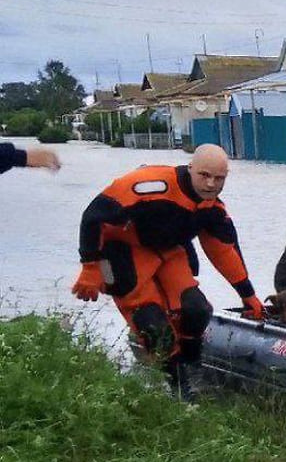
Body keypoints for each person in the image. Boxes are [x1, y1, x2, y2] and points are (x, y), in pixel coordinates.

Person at [73, 144, 263, 398]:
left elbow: (225, 252)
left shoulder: (212, 209)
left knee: (196, 309)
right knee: (152, 324)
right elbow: (93, 217)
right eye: (204, 176)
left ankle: (191, 365)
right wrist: (90, 266)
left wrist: (247, 295)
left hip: (167, 250)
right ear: (191, 168)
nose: (210, 184)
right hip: (117, 251)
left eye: (219, 178)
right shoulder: (147, 186)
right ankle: (177, 384)